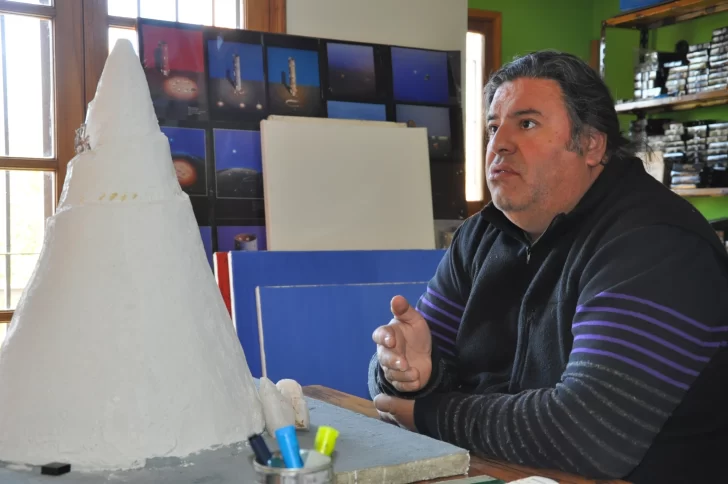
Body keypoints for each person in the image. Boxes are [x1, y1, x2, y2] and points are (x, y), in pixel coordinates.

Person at [368, 50, 728, 484]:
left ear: (591, 144)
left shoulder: (654, 243)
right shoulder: (481, 234)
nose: (499, 144)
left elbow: (590, 432)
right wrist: (404, 375)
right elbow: (409, 367)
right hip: (504, 470)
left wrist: (429, 412)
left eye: (527, 124)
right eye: (493, 127)